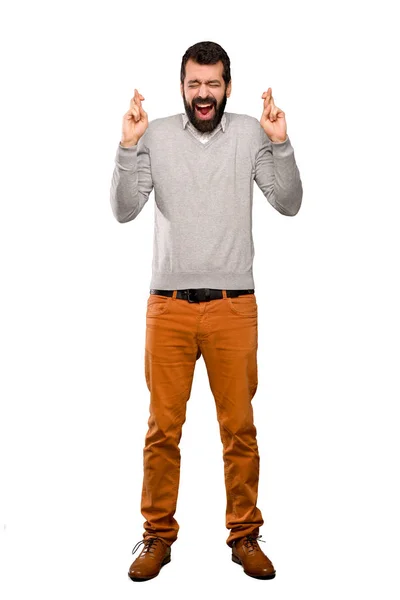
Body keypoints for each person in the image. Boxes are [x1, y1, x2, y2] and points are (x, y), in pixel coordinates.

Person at [110, 40, 303, 581]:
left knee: (239, 428)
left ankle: (244, 536)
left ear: (227, 87)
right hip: (167, 306)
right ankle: (156, 537)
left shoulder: (249, 133)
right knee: (161, 430)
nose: (203, 94)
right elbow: (124, 210)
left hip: (233, 306)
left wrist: (281, 144)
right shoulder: (154, 133)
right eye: (194, 83)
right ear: (182, 86)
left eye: (212, 84)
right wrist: (127, 147)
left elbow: (288, 203)